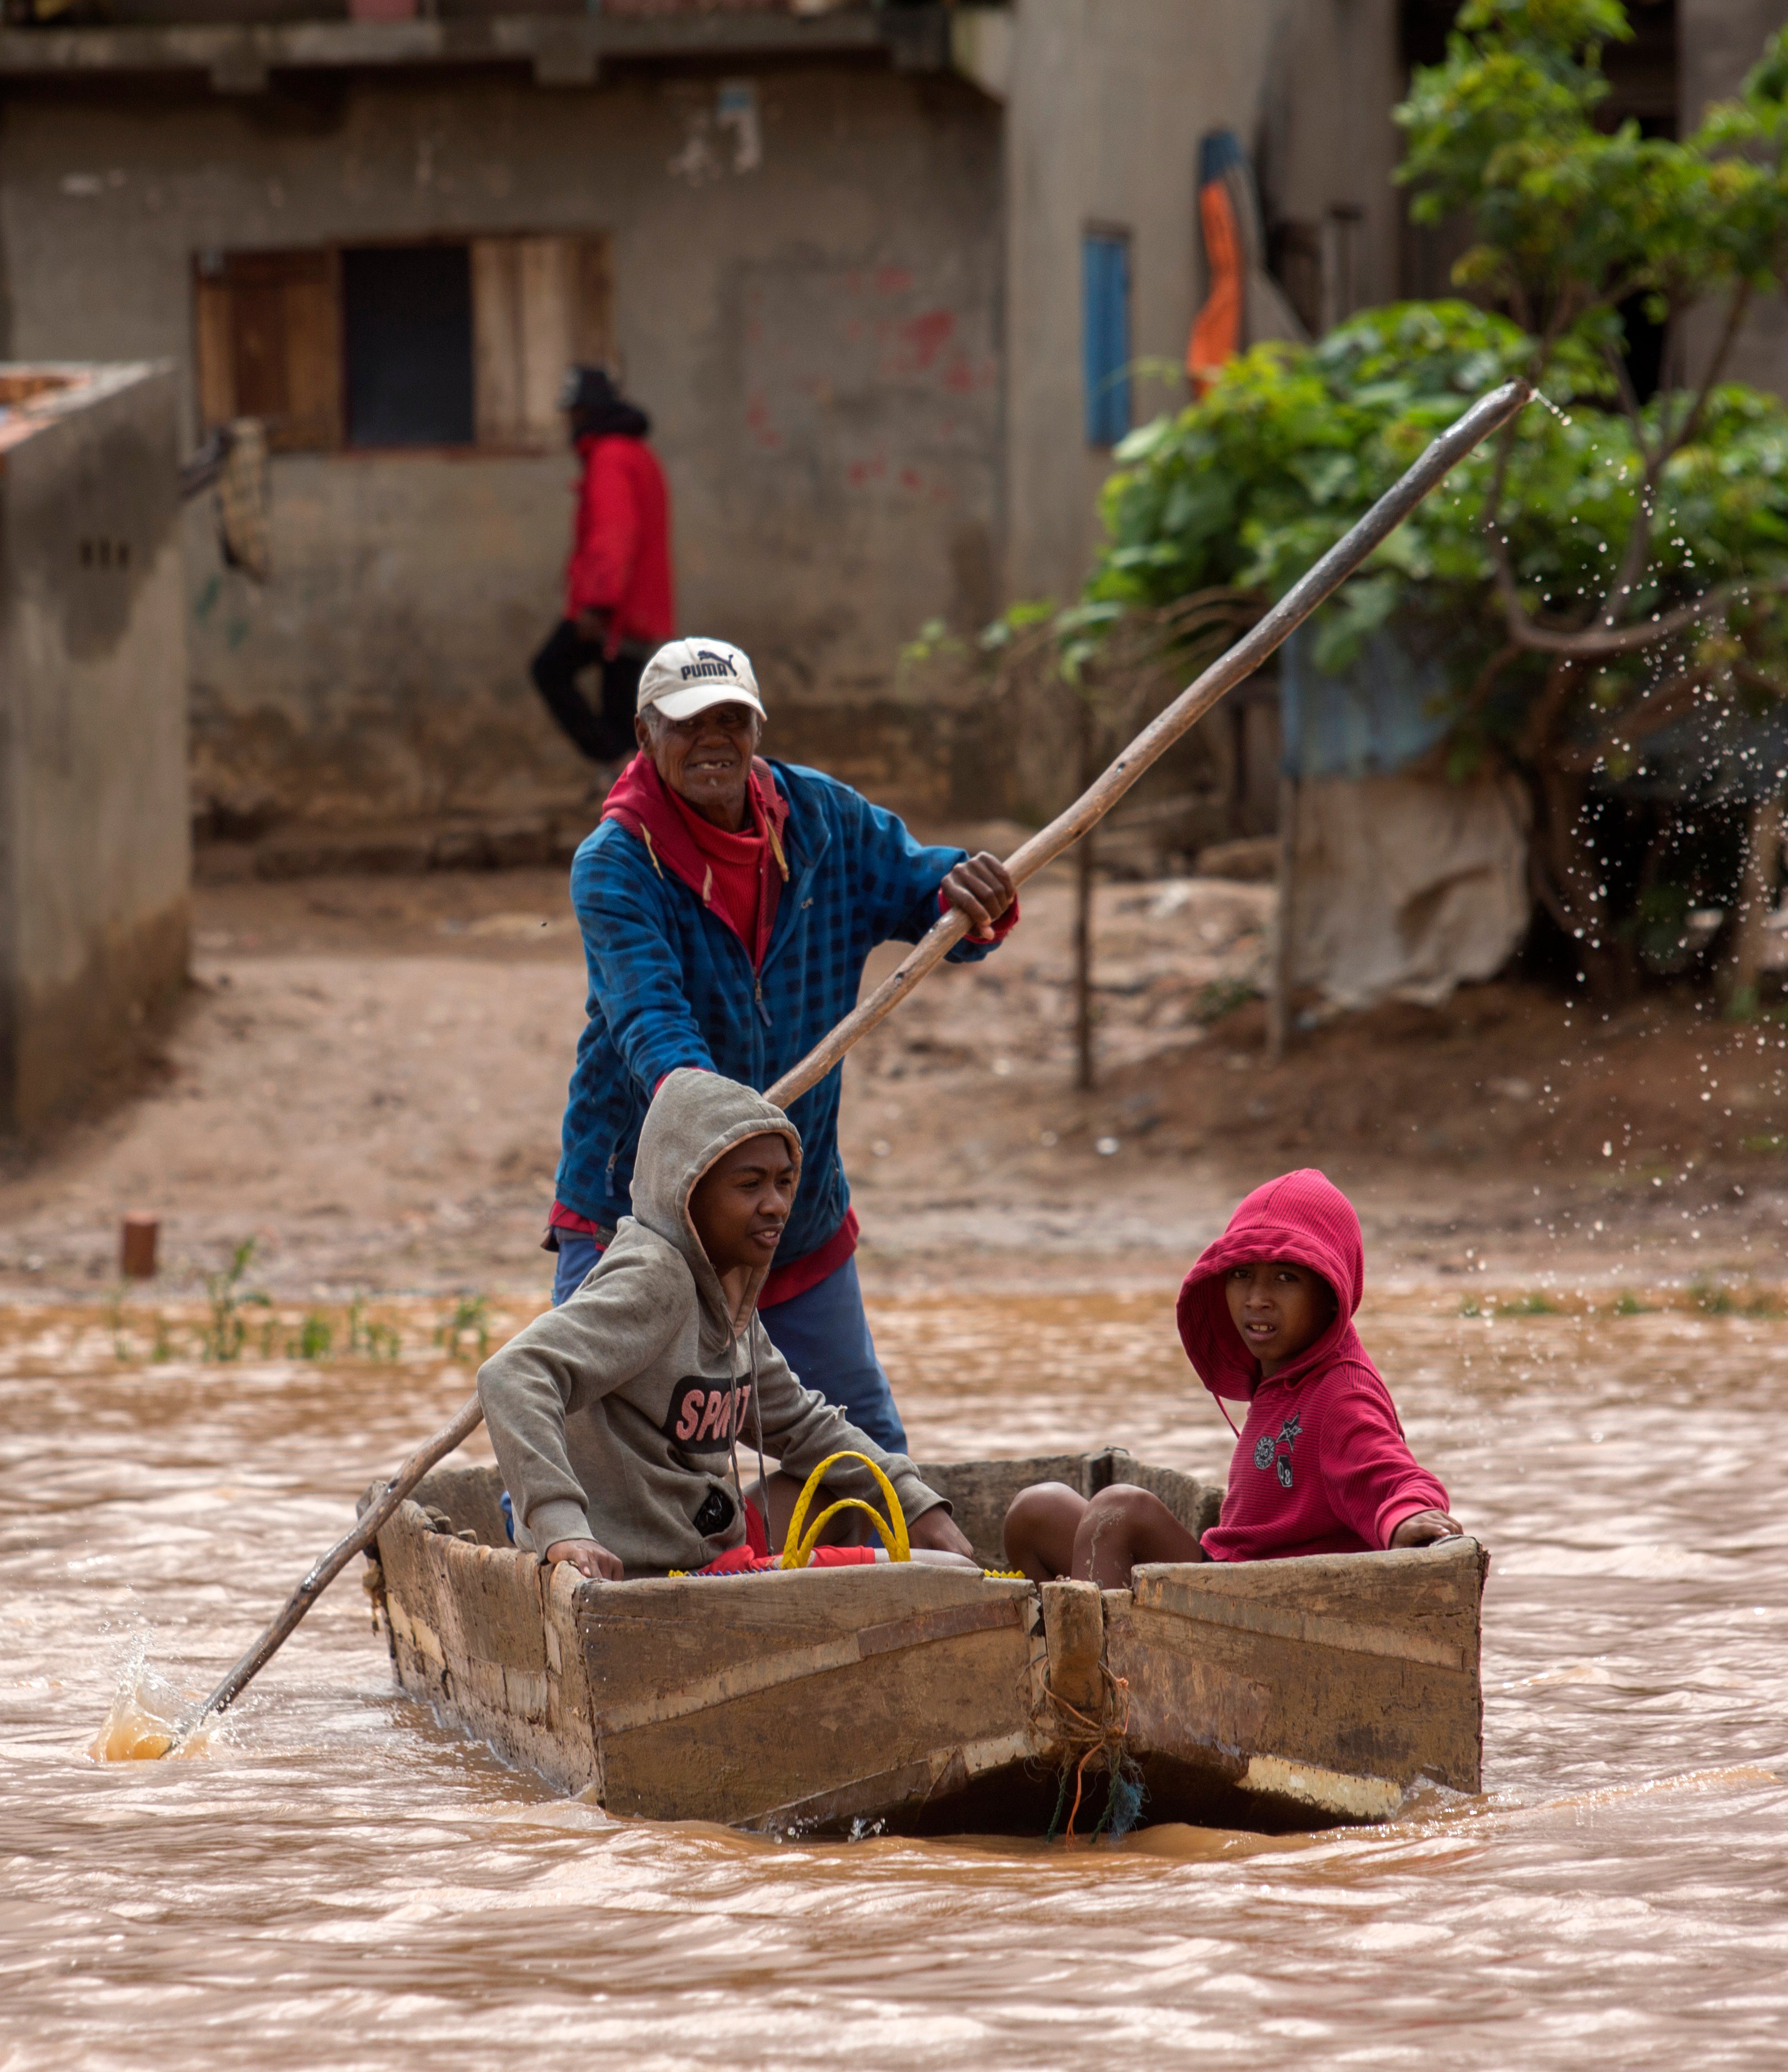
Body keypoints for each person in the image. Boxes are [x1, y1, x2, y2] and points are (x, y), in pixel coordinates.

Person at [550, 637, 1018, 1455]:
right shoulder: (618, 864)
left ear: (757, 729)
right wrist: (720, 1134)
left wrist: (969, 891)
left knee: (866, 1457)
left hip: (789, 1216)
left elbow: (930, 900)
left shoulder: (825, 825)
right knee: (583, 1450)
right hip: (637, 1218)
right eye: (688, 724)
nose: (714, 741)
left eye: (732, 719)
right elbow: (652, 1030)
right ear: (644, 735)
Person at [480, 1068, 979, 1579]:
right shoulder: (656, 1278)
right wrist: (562, 1525)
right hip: (648, 1572)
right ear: (687, 1193)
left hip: (706, 1541)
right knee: (937, 1571)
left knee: (845, 1489)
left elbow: (802, 1424)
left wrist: (912, 1499)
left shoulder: (729, 1289)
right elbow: (513, 1375)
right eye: (750, 1185)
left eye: (785, 1182)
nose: (776, 1206)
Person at [1003, 1169, 1474, 1585]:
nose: (1257, 1298)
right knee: (1036, 1510)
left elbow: (1397, 1480)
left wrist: (1404, 1519)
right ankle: (1071, 1648)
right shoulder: (1281, 1373)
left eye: (1286, 1278)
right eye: (1243, 1274)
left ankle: (1108, 1674)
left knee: (1118, 1511)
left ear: (1332, 1296)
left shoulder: (1340, 1395)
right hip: (1222, 1577)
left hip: (1264, 1609)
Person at [528, 365, 673, 764]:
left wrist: (597, 605)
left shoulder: (610, 458)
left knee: (550, 671)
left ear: (587, 411)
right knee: (619, 707)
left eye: (573, 412)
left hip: (616, 609)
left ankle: (618, 772)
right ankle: (627, 781)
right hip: (635, 606)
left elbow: (615, 534)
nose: (569, 422)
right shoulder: (634, 455)